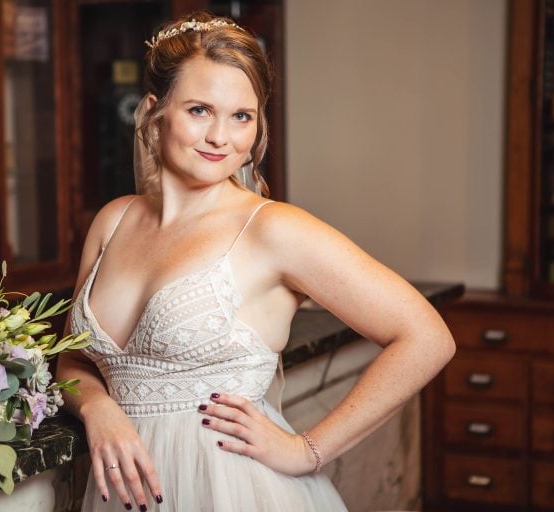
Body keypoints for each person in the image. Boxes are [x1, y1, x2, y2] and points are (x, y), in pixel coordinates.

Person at [57, 11, 455, 512]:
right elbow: (73, 356)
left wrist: (306, 451)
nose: (220, 137)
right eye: (200, 110)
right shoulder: (113, 221)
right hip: (123, 492)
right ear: (155, 112)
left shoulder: (274, 230)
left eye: (241, 116)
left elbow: (426, 337)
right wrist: (97, 407)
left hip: (232, 488)